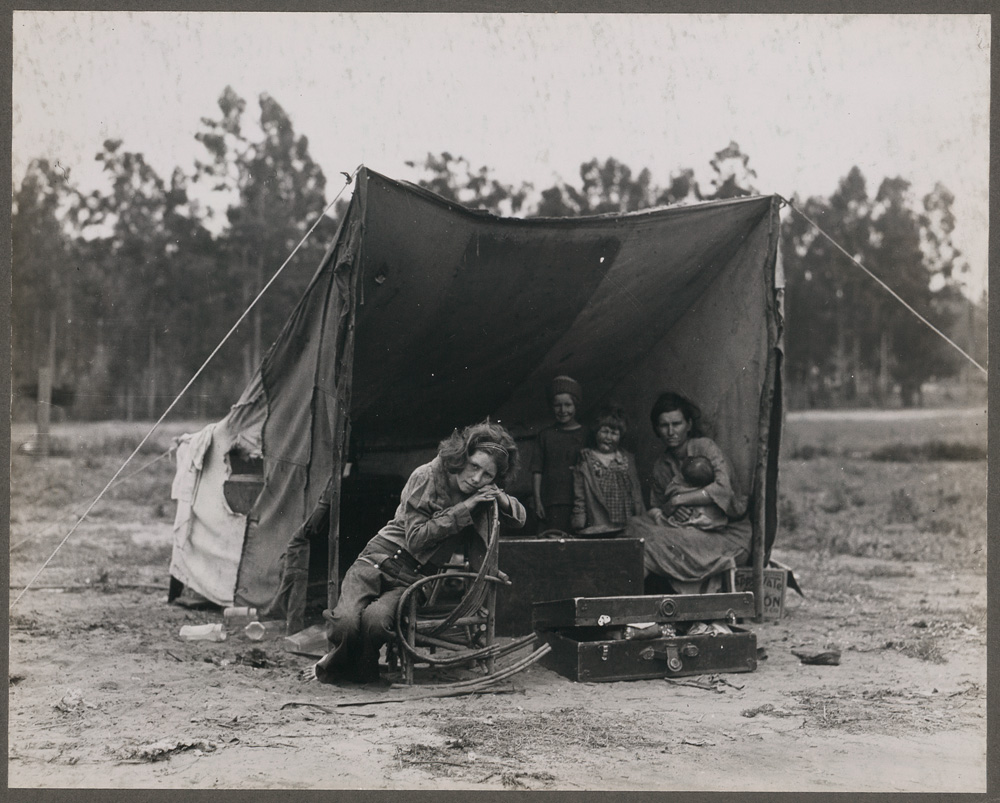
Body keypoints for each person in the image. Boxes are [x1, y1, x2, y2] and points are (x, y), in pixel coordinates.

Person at [313, 421, 525, 684]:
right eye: (474, 467)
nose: (476, 479)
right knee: (344, 623)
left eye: (487, 476)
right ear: (462, 456)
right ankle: (343, 664)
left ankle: (363, 664)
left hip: (415, 578)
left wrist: (503, 498)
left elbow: (518, 518)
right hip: (376, 559)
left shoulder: (482, 495)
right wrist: (464, 508)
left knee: (376, 622)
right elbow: (415, 540)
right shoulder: (426, 476)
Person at [625, 391, 752, 593]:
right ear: (657, 429)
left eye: (677, 424)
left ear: (689, 425)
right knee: (633, 526)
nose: (671, 431)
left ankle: (627, 599)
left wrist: (679, 500)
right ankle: (624, 597)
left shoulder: (705, 448)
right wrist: (669, 510)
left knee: (645, 544)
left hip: (726, 536)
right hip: (686, 532)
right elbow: (657, 508)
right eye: (664, 425)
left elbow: (723, 490)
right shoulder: (661, 465)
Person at [570, 405, 645, 536]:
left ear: (621, 436)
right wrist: (579, 521)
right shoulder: (587, 460)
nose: (608, 437)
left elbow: (636, 492)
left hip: (626, 522)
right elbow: (580, 495)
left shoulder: (627, 459)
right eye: (604, 431)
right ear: (596, 432)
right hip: (600, 523)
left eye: (614, 433)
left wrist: (641, 517)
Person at [530, 376, 587, 534]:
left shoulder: (586, 434)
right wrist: (538, 501)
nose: (563, 411)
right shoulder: (545, 435)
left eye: (568, 405)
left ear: (576, 404)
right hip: (552, 502)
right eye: (557, 405)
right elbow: (537, 471)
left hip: (580, 503)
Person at [661, 455, 728, 530]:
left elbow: (668, 495)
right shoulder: (706, 487)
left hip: (691, 516)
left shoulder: (678, 487)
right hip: (709, 518)